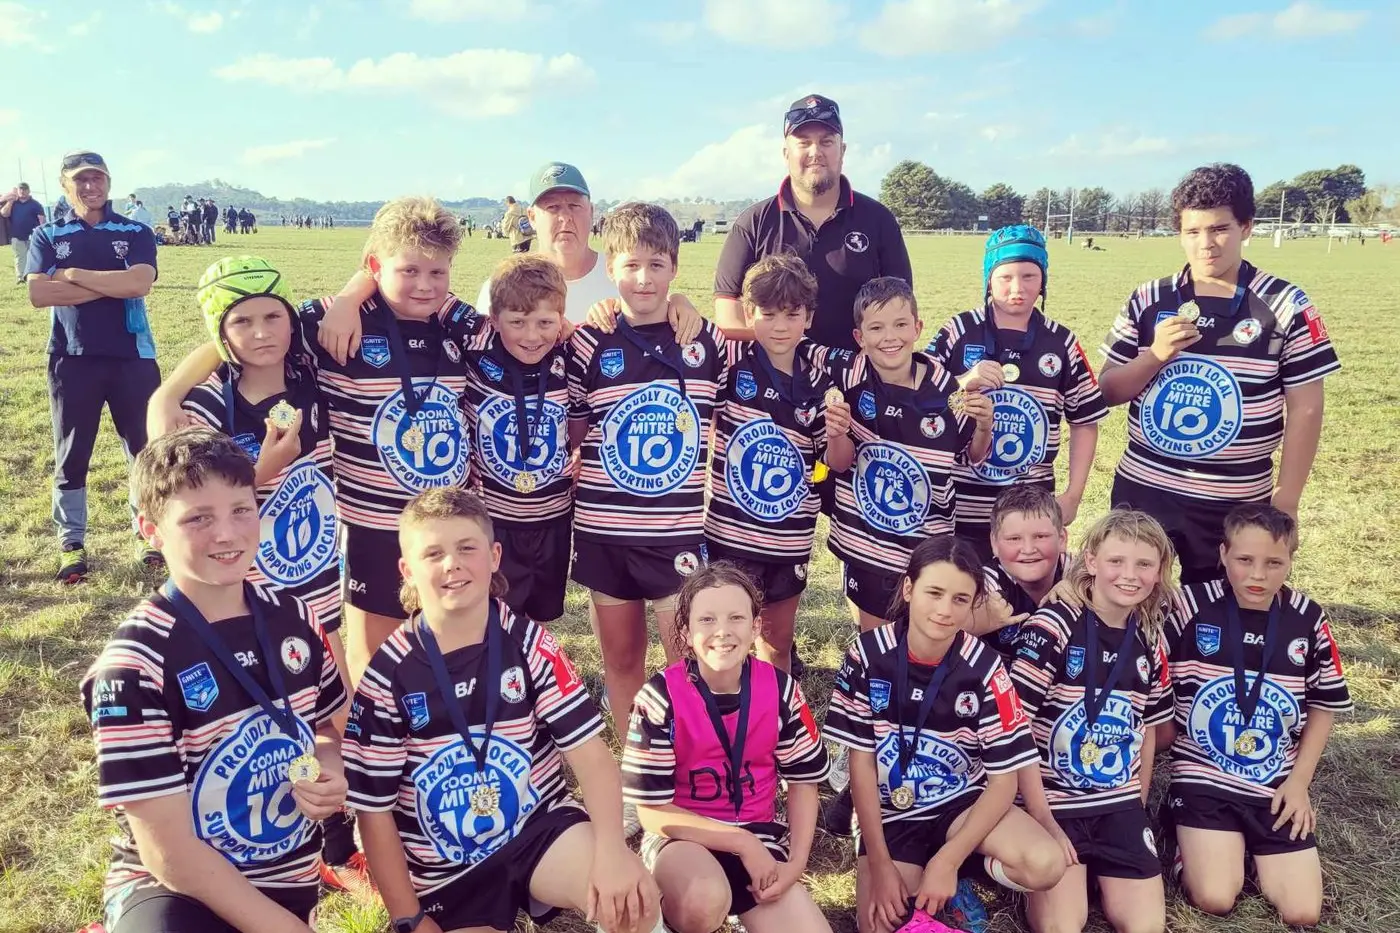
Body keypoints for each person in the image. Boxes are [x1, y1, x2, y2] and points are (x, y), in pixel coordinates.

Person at [147, 197, 483, 685]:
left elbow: (517, 332)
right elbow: (240, 336)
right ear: (375, 266)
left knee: (447, 635)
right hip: (374, 520)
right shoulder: (331, 320)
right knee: (377, 650)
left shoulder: (455, 320)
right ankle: (371, 739)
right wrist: (167, 394)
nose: (425, 285)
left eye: (438, 273)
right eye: (410, 271)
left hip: (447, 516)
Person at [342, 488, 662, 933]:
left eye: (466, 548)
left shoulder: (530, 644)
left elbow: (591, 758)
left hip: (535, 829)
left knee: (634, 900)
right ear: (407, 570)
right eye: (432, 553)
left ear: (494, 556)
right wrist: (408, 918)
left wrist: (612, 851)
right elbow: (373, 811)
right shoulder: (387, 674)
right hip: (445, 866)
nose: (452, 563)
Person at [79, 428, 348, 933]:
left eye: (241, 510)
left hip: (283, 877)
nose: (226, 534)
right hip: (175, 890)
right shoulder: (133, 666)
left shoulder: (296, 618)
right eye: (198, 518)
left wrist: (328, 770)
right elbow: (170, 855)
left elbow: (327, 731)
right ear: (150, 529)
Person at [1098, 163, 1340, 583]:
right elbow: (1108, 390)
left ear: (1246, 227)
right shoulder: (1149, 298)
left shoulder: (1286, 305)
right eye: (1192, 232)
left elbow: (1306, 408)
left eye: (1219, 229)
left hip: (1234, 501)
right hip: (1144, 489)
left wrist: (1287, 502)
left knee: (1214, 621)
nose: (1206, 244)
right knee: (1129, 604)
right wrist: (1154, 355)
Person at [825, 536, 1064, 933]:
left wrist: (948, 860)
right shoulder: (866, 655)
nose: (943, 610)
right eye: (934, 592)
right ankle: (931, 879)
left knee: (1045, 863)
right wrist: (881, 864)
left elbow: (1004, 781)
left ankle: (958, 871)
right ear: (908, 588)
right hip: (892, 812)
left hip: (960, 805)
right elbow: (861, 765)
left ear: (973, 603)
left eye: (959, 599)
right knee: (880, 924)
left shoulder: (985, 666)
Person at [567, 202, 735, 739]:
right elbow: (572, 429)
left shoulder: (706, 343)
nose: (644, 278)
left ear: (675, 267)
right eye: (631, 264)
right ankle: (641, 768)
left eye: (657, 265)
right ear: (610, 266)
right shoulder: (587, 342)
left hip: (674, 536)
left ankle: (693, 761)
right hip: (603, 532)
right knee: (621, 661)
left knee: (689, 661)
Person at [1162, 503, 1351, 926]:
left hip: (1273, 782)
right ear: (1223, 554)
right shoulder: (1187, 605)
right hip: (1202, 774)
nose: (1257, 575)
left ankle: (1241, 849)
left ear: (1290, 561)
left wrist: (1299, 782)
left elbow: (1324, 704)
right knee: (1214, 898)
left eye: (1274, 563)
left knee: (1302, 912)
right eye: (1244, 560)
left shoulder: (1308, 617)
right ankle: (1187, 840)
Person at [622, 562, 833, 933]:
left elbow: (803, 783)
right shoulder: (659, 697)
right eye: (707, 620)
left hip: (760, 835)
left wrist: (795, 864)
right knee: (703, 900)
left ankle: (734, 902)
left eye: (736, 617)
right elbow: (652, 814)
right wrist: (740, 842)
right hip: (682, 839)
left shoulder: (781, 690)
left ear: (755, 627)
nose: (722, 631)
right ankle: (665, 918)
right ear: (685, 632)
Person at [1009, 509, 1176, 933]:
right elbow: (1012, 731)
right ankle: (997, 865)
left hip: (1115, 801)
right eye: (1117, 561)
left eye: (1143, 564)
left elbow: (1149, 729)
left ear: (1159, 572)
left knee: (1145, 926)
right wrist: (1040, 816)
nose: (1129, 575)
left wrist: (1134, 805)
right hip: (1054, 801)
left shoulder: (1151, 635)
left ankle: (1105, 866)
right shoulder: (1054, 624)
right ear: (1092, 561)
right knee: (1062, 927)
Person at [704, 255, 854, 670]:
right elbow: (692, 332)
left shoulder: (821, 379)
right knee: (724, 638)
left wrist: (839, 432)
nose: (781, 326)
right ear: (749, 313)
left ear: (809, 316)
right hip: (729, 535)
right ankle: (724, 719)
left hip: (789, 538)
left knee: (777, 640)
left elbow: (839, 464)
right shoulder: (731, 361)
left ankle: (774, 724)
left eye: (792, 315)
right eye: (768, 315)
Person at [818, 276, 993, 632]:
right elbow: (790, 340)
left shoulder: (949, 391)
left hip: (928, 545)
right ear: (859, 338)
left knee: (928, 638)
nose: (889, 337)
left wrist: (985, 428)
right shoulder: (849, 373)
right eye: (876, 328)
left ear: (918, 327)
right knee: (879, 641)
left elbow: (971, 456)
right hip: (869, 547)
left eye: (900, 325)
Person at [927, 225, 1107, 553]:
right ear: (988, 280)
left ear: (1043, 282)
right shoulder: (957, 332)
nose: (1017, 288)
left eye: (1029, 276)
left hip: (1030, 514)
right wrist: (965, 381)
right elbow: (919, 400)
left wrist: (1073, 495)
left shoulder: (1062, 341)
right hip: (959, 508)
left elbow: (1085, 420)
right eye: (1005, 277)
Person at [26, 151, 160, 582]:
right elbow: (40, 295)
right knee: (72, 452)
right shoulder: (47, 234)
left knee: (144, 450)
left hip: (132, 356)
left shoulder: (135, 231)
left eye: (97, 178)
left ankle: (148, 533)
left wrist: (71, 275)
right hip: (71, 357)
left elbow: (139, 283)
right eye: (80, 180)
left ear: (109, 181)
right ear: (66, 185)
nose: (90, 187)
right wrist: (110, 286)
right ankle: (72, 543)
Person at [714, 94, 912, 353]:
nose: (815, 152)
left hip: (856, 379)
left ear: (842, 150)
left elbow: (900, 307)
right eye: (803, 143)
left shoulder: (878, 220)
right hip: (774, 382)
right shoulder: (753, 222)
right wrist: (777, 357)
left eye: (826, 142)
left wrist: (856, 372)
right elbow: (728, 312)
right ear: (786, 153)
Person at [460, 253, 575, 623]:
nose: (531, 336)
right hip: (495, 523)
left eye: (545, 322)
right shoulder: (475, 346)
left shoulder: (571, 353)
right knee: (493, 621)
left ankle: (531, 681)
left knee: (538, 626)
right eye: (517, 322)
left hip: (553, 521)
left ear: (561, 319)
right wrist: (350, 297)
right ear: (493, 320)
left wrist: (681, 303)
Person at [967, 485, 1071, 660]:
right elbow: (937, 632)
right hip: (998, 680)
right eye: (1014, 539)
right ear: (994, 543)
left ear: (1061, 539)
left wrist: (1080, 586)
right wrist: (977, 623)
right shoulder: (984, 584)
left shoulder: (1077, 573)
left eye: (1040, 536)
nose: (1028, 549)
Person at [1, 182, 46, 283]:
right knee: (20, 256)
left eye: (24, 189)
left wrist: (41, 233)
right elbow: (4, 213)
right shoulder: (13, 203)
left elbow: (42, 219)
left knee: (33, 255)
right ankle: (20, 277)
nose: (22, 191)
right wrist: (10, 202)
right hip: (16, 235)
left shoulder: (35, 204)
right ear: (17, 190)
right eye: (20, 189)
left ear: (29, 191)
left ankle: (33, 275)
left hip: (32, 235)